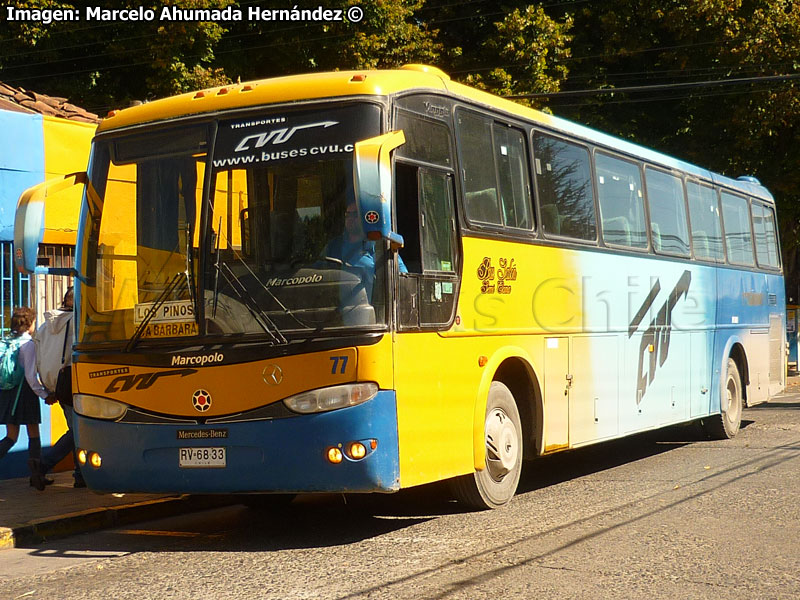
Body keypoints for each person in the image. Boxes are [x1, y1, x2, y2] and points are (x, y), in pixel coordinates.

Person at [0, 306, 53, 490]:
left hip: (8, 392)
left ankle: (36, 476)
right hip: (24, 393)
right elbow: (31, 376)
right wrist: (45, 395)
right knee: (34, 433)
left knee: (11, 437)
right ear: (30, 323)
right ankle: (37, 476)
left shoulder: (6, 341)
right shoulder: (28, 344)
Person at [36, 286, 84, 488]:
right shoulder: (77, 322)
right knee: (79, 431)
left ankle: (80, 476)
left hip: (55, 383)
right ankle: (43, 464)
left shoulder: (44, 325)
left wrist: (46, 389)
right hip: (74, 381)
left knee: (75, 428)